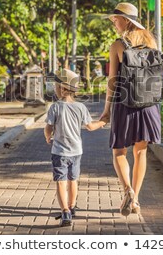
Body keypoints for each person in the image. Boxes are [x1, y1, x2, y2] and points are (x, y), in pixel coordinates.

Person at [99, 2, 161, 216]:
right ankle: (135, 201)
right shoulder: (152, 42)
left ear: (126, 20)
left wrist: (106, 110)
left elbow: (113, 81)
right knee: (141, 151)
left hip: (125, 104)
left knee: (119, 152)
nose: (114, 23)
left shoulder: (118, 45)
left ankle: (128, 190)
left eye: (115, 19)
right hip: (149, 105)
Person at [44, 69, 107, 226]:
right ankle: (72, 207)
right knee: (73, 180)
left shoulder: (55, 107)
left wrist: (47, 136)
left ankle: (64, 211)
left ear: (63, 89)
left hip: (59, 152)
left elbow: (48, 127)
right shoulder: (80, 107)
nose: (55, 89)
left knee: (60, 181)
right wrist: (103, 122)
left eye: (56, 86)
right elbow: (90, 127)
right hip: (76, 151)